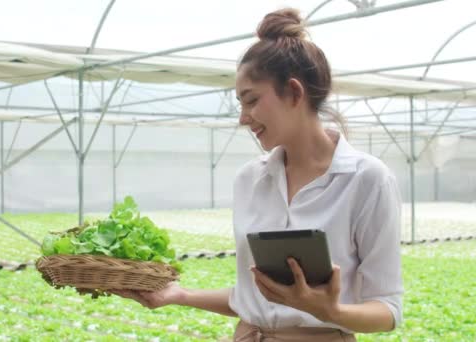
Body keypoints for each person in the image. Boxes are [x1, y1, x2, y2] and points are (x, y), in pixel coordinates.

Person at [113, 8, 403, 341]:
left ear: (294, 92)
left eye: (251, 100)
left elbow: (387, 309)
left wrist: (330, 311)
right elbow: (252, 298)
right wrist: (180, 295)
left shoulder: (367, 179)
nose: (243, 118)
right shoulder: (250, 179)